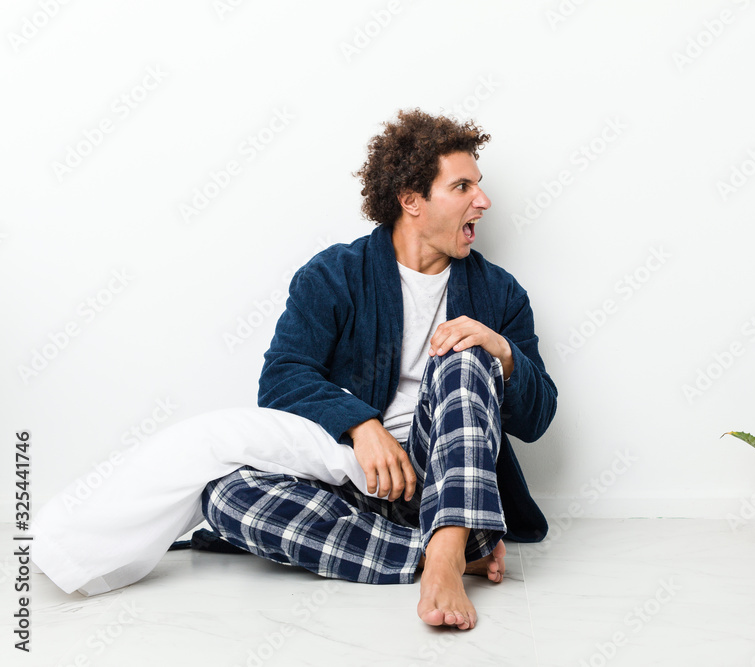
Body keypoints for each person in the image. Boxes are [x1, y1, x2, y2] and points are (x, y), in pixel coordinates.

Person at [198, 109, 558, 630]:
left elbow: (537, 418)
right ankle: (436, 551)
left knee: (466, 358)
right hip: (358, 476)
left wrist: (502, 352)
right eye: (462, 187)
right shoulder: (334, 274)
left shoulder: (500, 293)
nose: (483, 200)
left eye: (478, 185)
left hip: (453, 480)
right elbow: (282, 378)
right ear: (411, 200)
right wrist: (362, 426)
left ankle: (446, 552)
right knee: (224, 496)